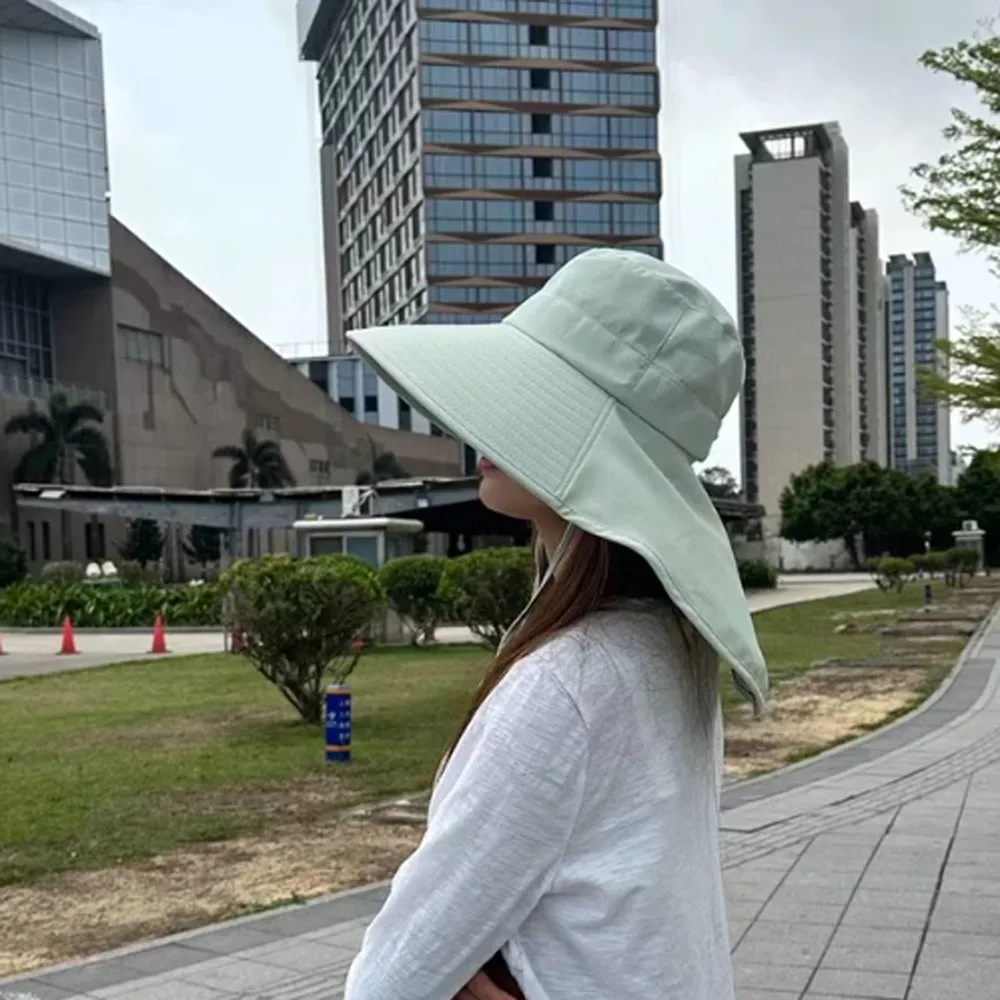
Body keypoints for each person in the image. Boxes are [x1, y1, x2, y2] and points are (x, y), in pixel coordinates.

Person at [343, 248, 768, 1000]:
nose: (490, 423)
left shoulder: (565, 682)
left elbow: (392, 981)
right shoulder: (667, 644)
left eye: (533, 401)